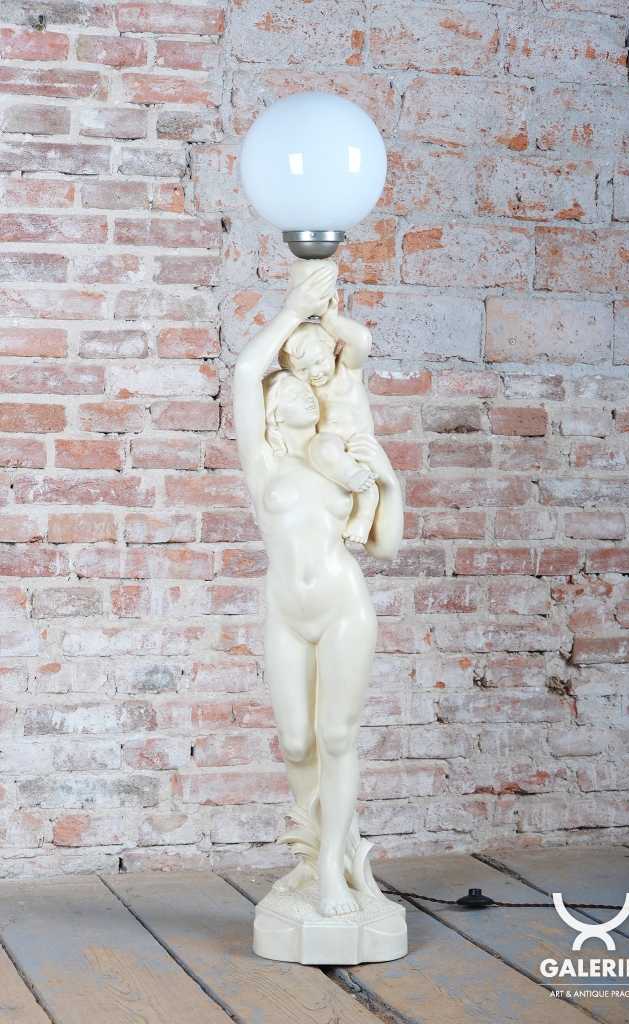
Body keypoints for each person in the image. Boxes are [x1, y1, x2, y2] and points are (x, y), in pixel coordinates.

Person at [233, 264, 403, 916]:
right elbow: (247, 372)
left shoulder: (338, 457)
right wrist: (290, 310)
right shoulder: (264, 465)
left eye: (307, 388)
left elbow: (384, 546)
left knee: (336, 737)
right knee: (297, 743)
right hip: (286, 612)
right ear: (272, 414)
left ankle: (332, 869)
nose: (305, 393)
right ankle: (311, 858)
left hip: (342, 606)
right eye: (289, 390)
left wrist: (389, 486)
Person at [278, 260, 379, 544]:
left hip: (358, 440)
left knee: (367, 484)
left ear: (332, 350)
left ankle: (363, 519)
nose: (314, 374)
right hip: (332, 447)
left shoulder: (347, 369)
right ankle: (356, 507)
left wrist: (331, 322)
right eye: (303, 370)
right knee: (323, 448)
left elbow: (362, 340)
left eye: (319, 362)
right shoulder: (305, 386)